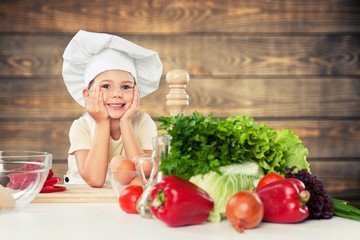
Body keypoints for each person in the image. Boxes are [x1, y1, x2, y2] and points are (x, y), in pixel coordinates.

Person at [62, 30, 163, 187]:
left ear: (137, 92)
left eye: (126, 87)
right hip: (84, 200)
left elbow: (146, 174)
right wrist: (102, 123)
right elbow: (95, 180)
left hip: (128, 198)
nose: (117, 94)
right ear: (87, 95)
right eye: (106, 86)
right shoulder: (81, 127)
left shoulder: (144, 122)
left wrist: (126, 123)